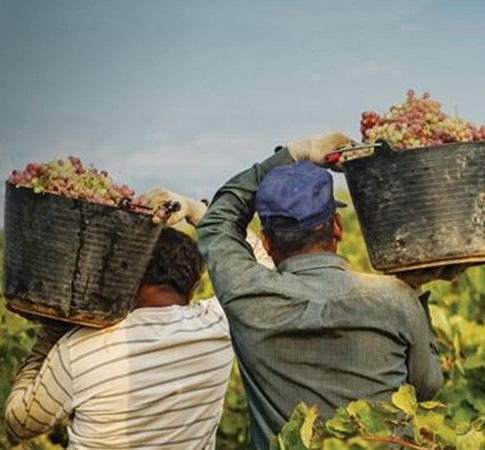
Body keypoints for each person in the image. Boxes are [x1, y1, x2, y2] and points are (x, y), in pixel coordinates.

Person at [149, 132, 443, 449]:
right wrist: (415, 289)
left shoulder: (246, 296)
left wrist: (295, 153)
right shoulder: (395, 297)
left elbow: (221, 217)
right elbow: (425, 387)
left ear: (266, 243)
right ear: (338, 227)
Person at [5, 228, 234, 449]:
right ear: (193, 286)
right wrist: (198, 212)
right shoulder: (220, 325)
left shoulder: (80, 348)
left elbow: (21, 422)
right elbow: (260, 265)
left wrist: (50, 334)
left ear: (127, 278)